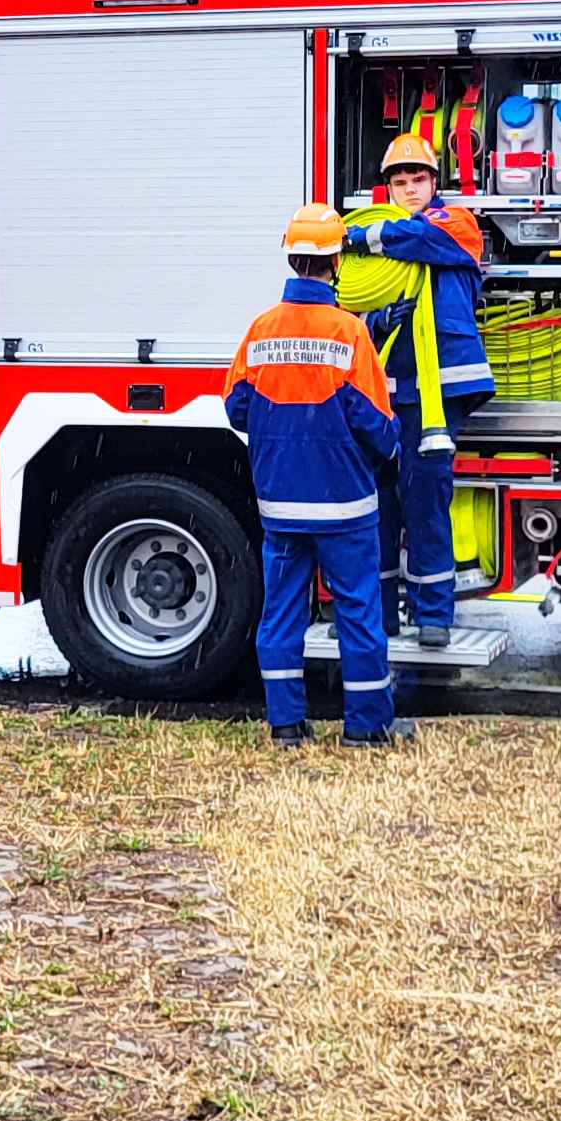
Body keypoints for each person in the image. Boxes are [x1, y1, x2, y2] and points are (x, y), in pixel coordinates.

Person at [227, 208, 404, 748]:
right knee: (358, 612)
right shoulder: (349, 332)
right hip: (345, 506)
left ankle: (286, 725)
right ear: (337, 261)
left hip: (279, 504)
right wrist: (389, 447)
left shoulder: (260, 330)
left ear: (291, 256)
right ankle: (366, 728)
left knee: (280, 614)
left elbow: (237, 409)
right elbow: (375, 423)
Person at [345, 131, 490, 649]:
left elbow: (423, 241)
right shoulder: (372, 258)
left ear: (435, 182)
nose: (410, 188)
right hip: (383, 387)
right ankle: (382, 613)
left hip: (438, 388)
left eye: (418, 179)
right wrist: (378, 316)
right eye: (400, 181)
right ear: (387, 188)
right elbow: (348, 304)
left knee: (427, 498)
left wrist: (362, 237)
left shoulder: (457, 223)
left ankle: (434, 615)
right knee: (378, 503)